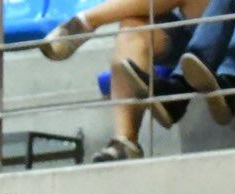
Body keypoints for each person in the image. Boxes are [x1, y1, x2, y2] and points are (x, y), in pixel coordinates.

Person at [38, 0, 206, 160]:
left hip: (213, 20)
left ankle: (86, 21)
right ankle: (124, 142)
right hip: (174, 21)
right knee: (131, 27)